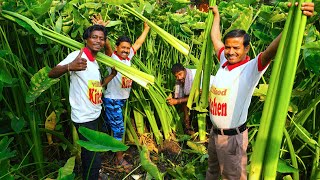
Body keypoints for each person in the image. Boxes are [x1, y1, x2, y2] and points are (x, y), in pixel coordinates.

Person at [206, 3, 314, 180]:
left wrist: (295, 19)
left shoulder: (250, 68)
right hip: (215, 133)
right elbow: (215, 38)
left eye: (236, 48)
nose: (230, 52)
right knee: (212, 171)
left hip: (232, 139)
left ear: (247, 48)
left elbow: (271, 51)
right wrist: (216, 16)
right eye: (228, 47)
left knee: (232, 177)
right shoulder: (224, 61)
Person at [48, 25, 108, 180]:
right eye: (94, 37)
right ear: (86, 39)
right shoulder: (78, 55)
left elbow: (96, 86)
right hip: (83, 117)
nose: (98, 41)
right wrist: (69, 66)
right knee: (92, 157)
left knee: (92, 154)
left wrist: (112, 75)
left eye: (101, 38)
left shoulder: (94, 62)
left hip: (94, 113)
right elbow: (51, 73)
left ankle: (92, 175)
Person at [101, 22, 150, 173]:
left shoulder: (128, 58)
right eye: (123, 47)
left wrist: (146, 29)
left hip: (121, 100)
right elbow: (107, 46)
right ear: (117, 48)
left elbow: (138, 43)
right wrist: (103, 29)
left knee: (112, 127)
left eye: (127, 48)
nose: (126, 50)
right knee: (118, 129)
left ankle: (108, 151)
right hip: (112, 100)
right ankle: (119, 159)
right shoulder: (112, 57)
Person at [167, 63, 197, 135]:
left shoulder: (194, 76)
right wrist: (171, 96)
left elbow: (195, 97)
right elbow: (178, 95)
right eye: (176, 76)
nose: (179, 78)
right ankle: (188, 127)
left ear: (184, 70)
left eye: (180, 74)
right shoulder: (178, 82)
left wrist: (177, 101)